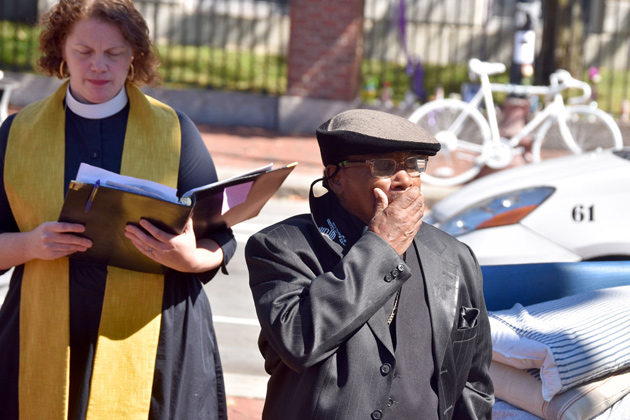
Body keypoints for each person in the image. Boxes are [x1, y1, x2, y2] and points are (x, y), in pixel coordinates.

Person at [0, 1, 235, 419]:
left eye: (114, 53)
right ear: (60, 53)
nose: (98, 66)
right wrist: (31, 243)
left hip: (157, 343)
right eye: (84, 52)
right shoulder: (16, 135)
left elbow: (219, 234)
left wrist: (191, 257)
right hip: (42, 336)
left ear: (134, 58)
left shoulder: (176, 133)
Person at [246, 109, 494, 420]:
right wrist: (383, 245)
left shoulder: (454, 257)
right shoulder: (281, 246)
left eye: (414, 165)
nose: (404, 179)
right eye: (385, 166)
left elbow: (473, 385)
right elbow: (299, 341)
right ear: (336, 179)